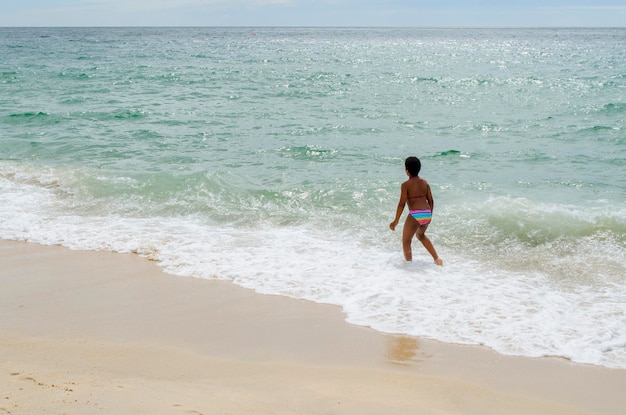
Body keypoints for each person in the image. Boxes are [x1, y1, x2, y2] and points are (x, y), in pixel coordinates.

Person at [389, 156, 443, 265]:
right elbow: (431, 200)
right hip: (427, 213)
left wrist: (396, 220)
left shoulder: (405, 185)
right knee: (420, 235)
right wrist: (430, 215)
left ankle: (409, 264)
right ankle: (437, 259)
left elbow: (401, 204)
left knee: (406, 240)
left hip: (415, 214)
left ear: (406, 170)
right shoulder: (425, 183)